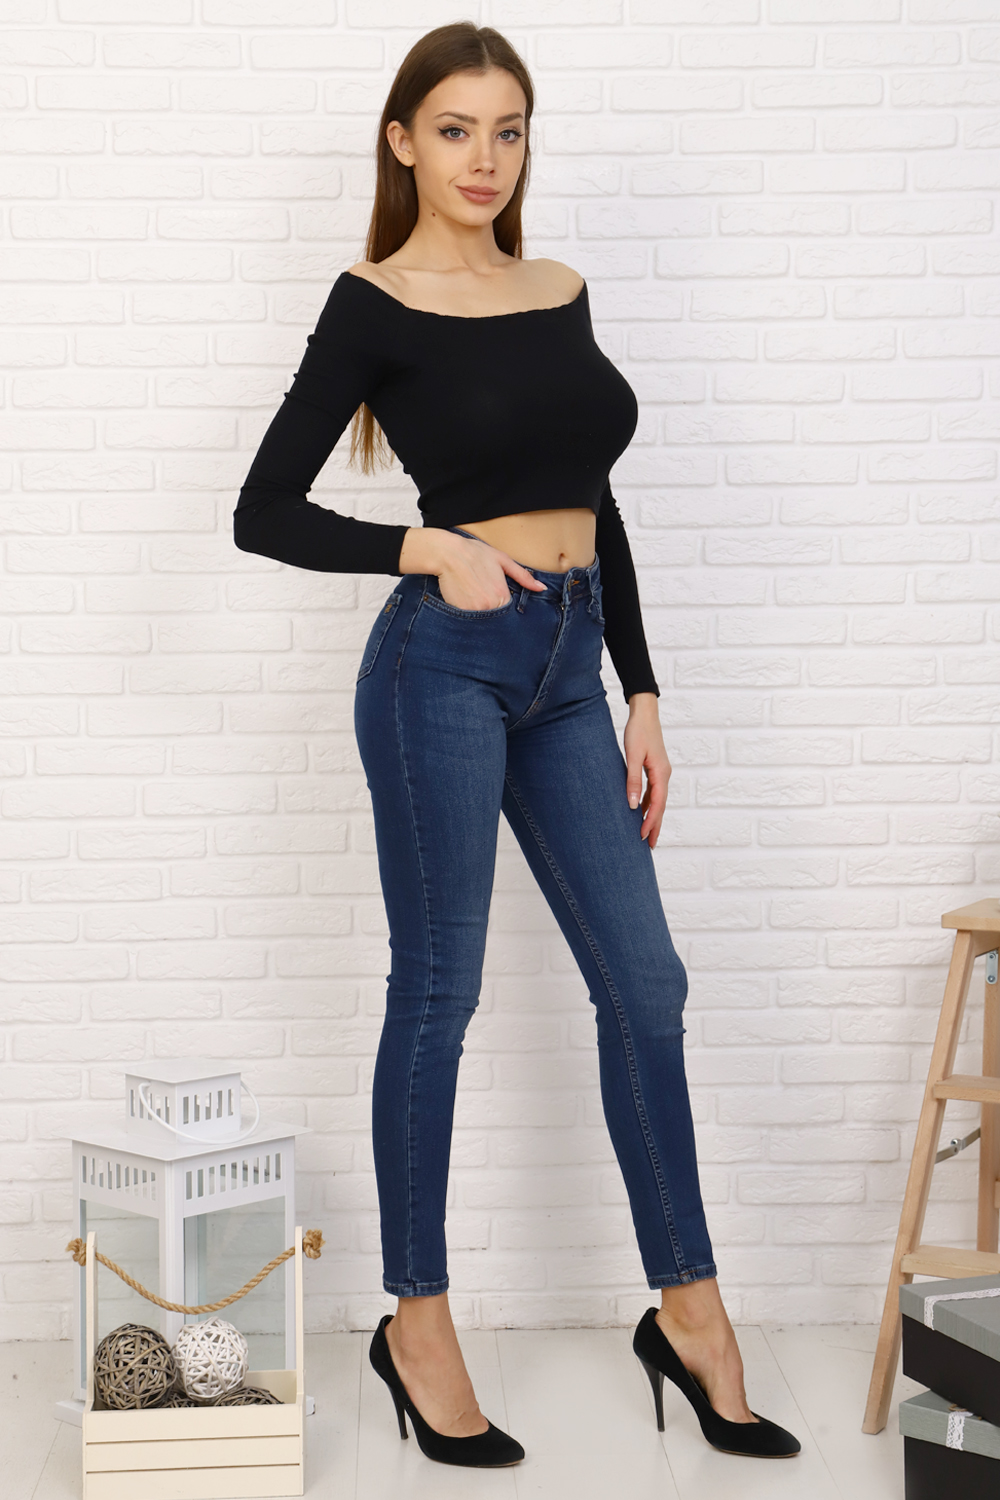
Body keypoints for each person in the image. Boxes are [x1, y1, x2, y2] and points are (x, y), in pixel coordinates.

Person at [233, 21, 800, 1470]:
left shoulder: (558, 290)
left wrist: (644, 690)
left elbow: (592, 496)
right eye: (455, 129)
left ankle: (688, 1310)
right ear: (402, 141)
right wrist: (426, 547)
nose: (484, 159)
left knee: (647, 985)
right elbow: (263, 511)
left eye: (509, 130)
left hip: (571, 668)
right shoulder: (375, 301)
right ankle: (418, 1322)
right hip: (443, 663)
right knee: (441, 991)